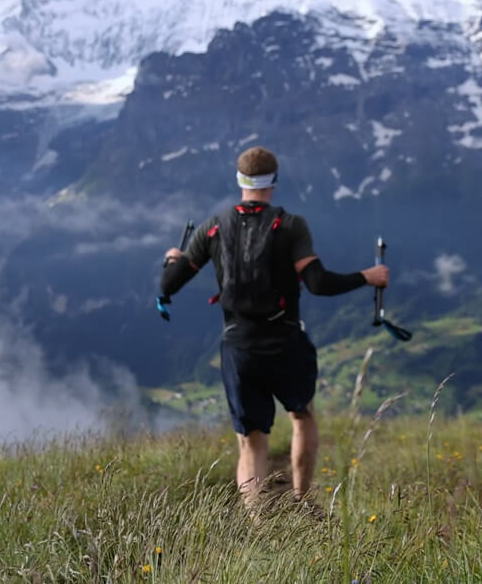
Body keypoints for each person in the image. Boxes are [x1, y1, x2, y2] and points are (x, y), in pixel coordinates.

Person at [159, 146, 389, 506]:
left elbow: (167, 287)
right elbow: (318, 283)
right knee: (302, 415)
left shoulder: (213, 226)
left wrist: (173, 261)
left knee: (251, 440)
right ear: (274, 181)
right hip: (285, 341)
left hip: (239, 346)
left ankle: (257, 526)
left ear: (239, 180)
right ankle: (302, 499)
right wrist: (367, 276)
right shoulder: (292, 226)